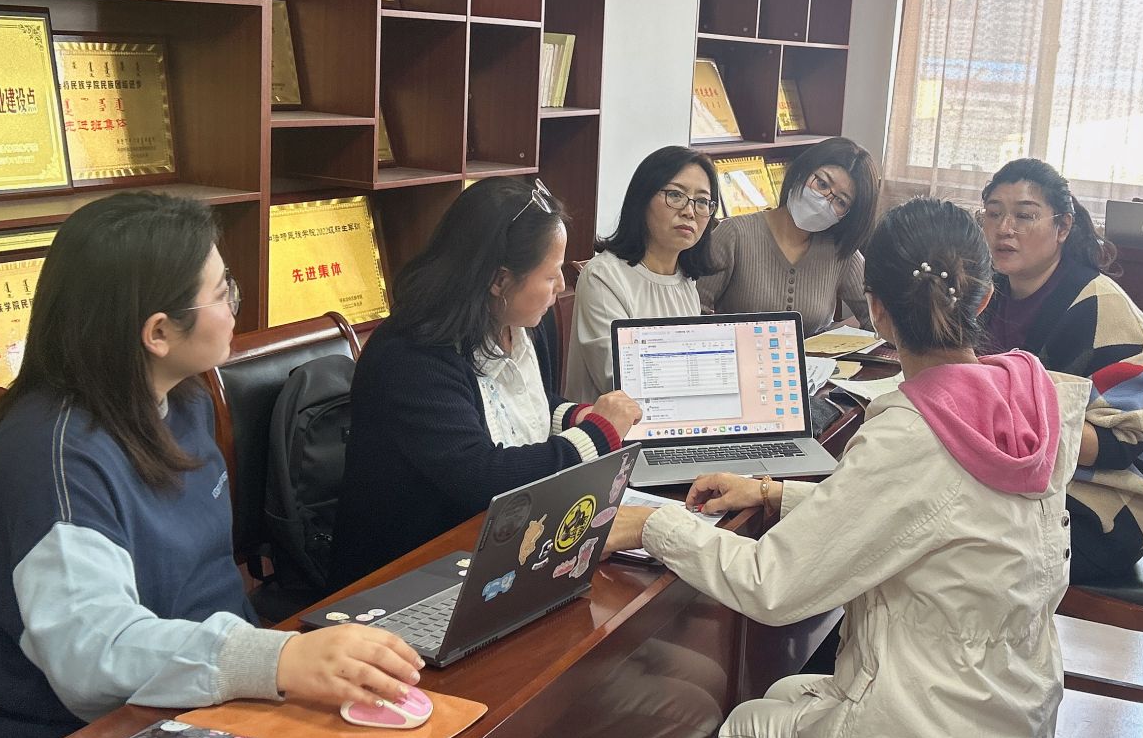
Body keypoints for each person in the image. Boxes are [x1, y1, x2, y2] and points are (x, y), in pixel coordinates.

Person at [609, 197, 1113, 738]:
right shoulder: (1027, 402)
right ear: (984, 297)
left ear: (876, 311)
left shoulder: (913, 434)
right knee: (787, 695)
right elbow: (925, 517)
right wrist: (775, 492)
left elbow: (773, 586)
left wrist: (656, 524)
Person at [0, 193, 424, 738]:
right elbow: (94, 654)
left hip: (200, 702)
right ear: (159, 332)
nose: (234, 305)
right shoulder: (53, 458)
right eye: (221, 292)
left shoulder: (180, 397)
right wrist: (276, 660)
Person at [335, 177, 642, 584]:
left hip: (497, 546)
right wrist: (597, 435)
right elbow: (484, 480)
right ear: (499, 281)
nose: (561, 287)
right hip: (410, 569)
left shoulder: (525, 322)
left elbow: (523, 402)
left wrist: (573, 417)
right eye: (551, 275)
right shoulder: (411, 358)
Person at [976, 158, 1143, 583]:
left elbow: (1120, 444)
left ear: (1063, 227)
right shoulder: (995, 293)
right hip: (1043, 483)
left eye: (1024, 216)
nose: (1004, 228)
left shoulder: (1098, 304)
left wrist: (994, 419)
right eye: (993, 213)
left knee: (940, 533)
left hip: (1105, 510)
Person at [565, 146, 720, 404]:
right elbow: (619, 382)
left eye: (702, 201)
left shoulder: (685, 280)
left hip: (677, 418)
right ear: (642, 198)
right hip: (612, 427)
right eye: (675, 195)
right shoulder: (604, 277)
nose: (689, 211)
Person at [697, 137, 878, 333]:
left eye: (841, 202)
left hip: (814, 354)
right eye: (822, 184)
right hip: (738, 352)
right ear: (802, 171)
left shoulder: (841, 252)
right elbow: (694, 312)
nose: (824, 200)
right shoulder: (734, 234)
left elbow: (879, 316)